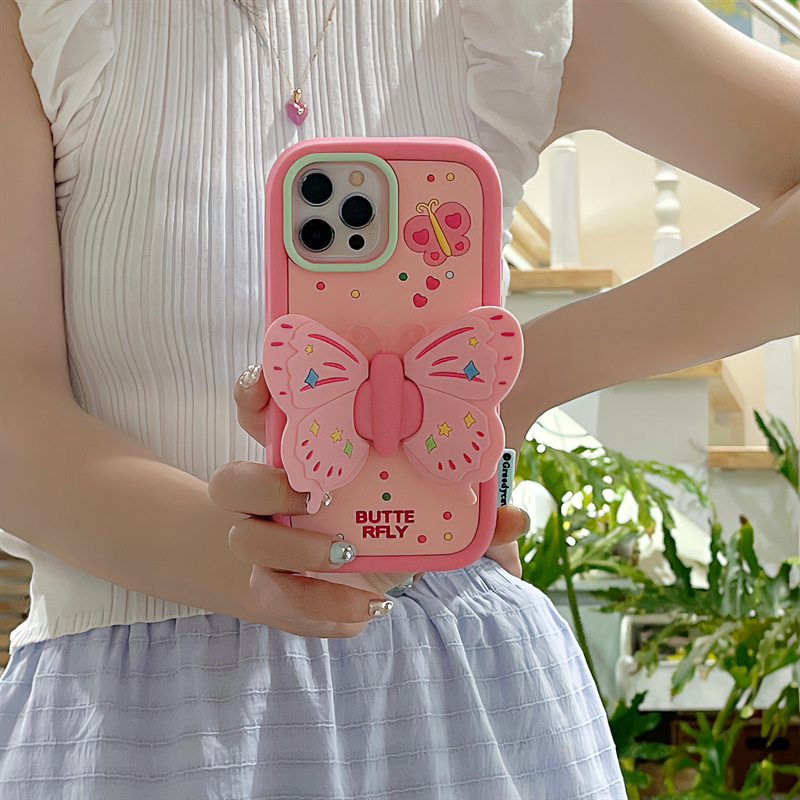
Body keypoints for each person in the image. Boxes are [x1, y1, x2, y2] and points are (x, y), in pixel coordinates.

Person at [0, 0, 795, 797]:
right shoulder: (50, 19)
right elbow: (14, 411)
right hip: (137, 722)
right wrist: (253, 562)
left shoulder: (516, 16)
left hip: (457, 688)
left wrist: (523, 380)